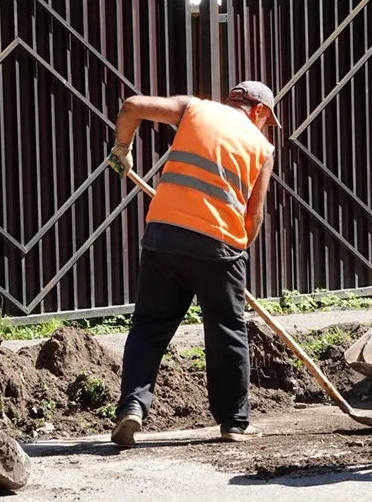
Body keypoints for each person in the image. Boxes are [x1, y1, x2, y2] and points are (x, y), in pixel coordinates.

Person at [106, 81, 281, 446]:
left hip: (164, 236)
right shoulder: (263, 148)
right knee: (227, 332)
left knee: (149, 327)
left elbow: (132, 105)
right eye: (268, 120)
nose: (266, 127)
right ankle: (234, 422)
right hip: (219, 246)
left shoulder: (195, 109)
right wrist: (237, 255)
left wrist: (122, 149)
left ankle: (132, 407)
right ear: (259, 111)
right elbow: (255, 216)